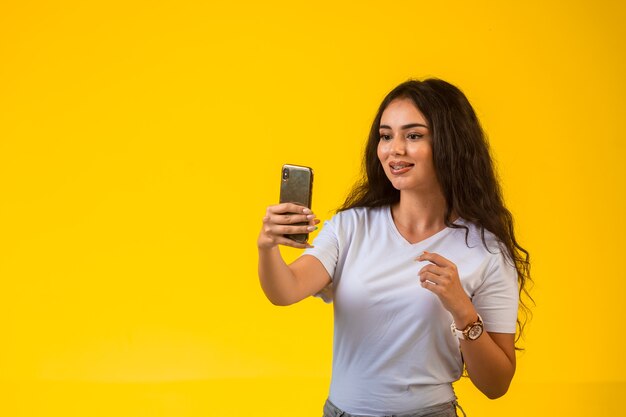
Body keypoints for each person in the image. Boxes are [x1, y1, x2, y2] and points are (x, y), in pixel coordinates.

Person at [257, 79, 531, 417]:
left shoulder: (486, 250)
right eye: (386, 136)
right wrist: (268, 247)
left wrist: (463, 311)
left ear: (450, 144)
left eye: (413, 136)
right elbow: (285, 290)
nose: (394, 149)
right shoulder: (351, 227)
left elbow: (496, 384)